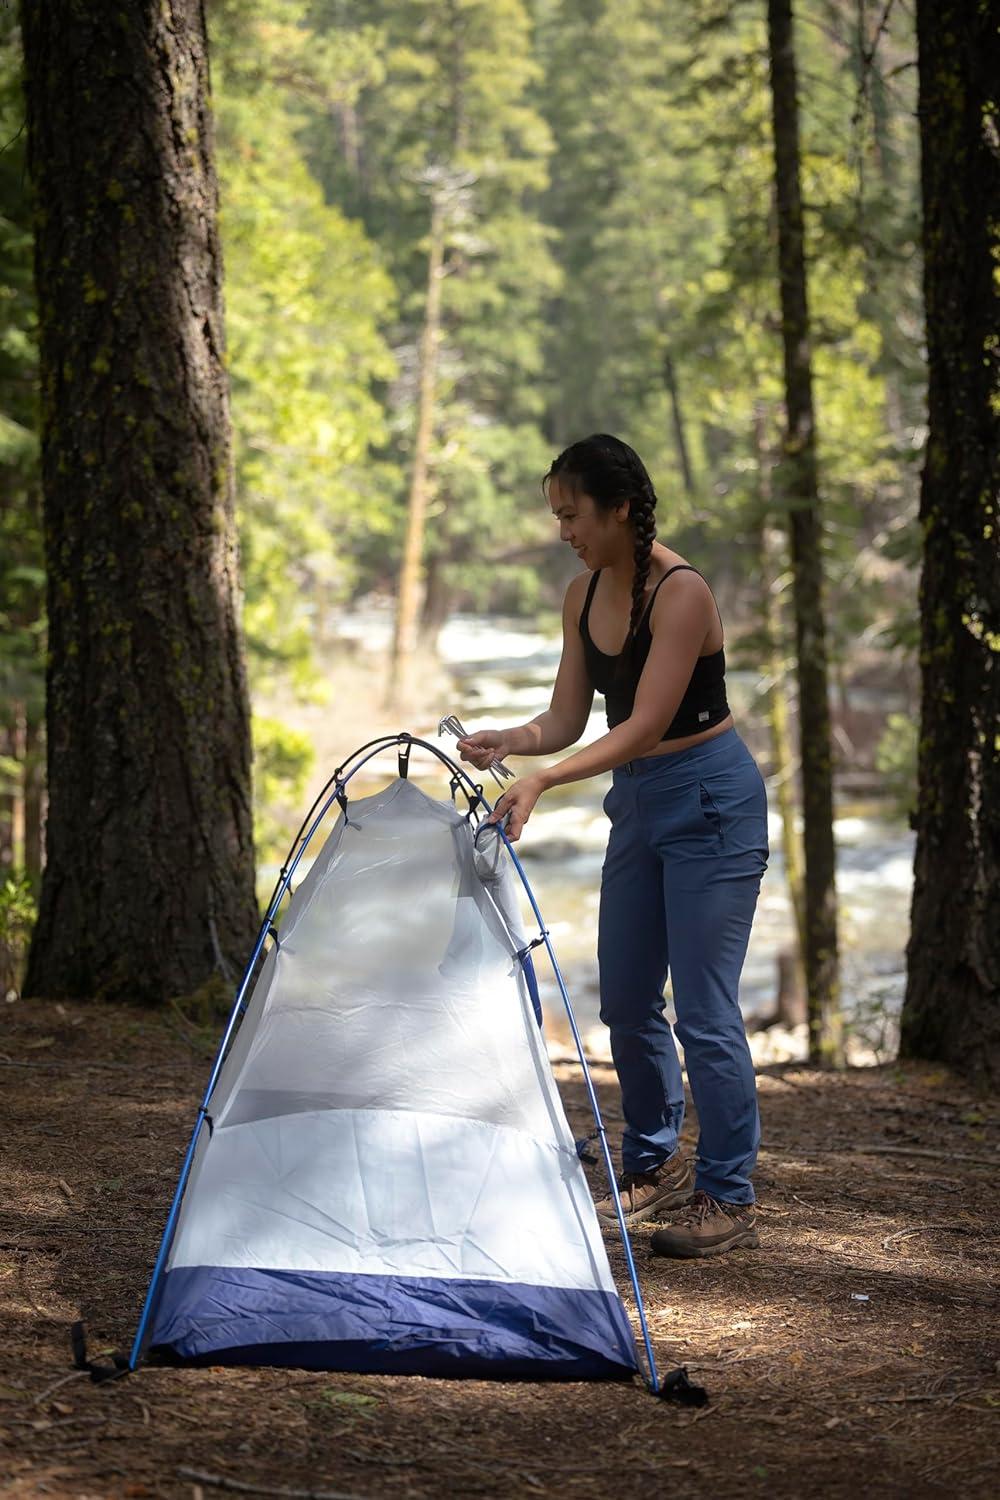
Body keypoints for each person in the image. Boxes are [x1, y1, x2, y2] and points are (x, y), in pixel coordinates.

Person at [457, 433, 769, 1259]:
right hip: (638, 805)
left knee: (705, 1013)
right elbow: (568, 717)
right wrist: (512, 744)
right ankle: (652, 1165)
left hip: (709, 801)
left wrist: (546, 783)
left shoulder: (682, 593)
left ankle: (728, 1195)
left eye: (573, 514)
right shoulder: (583, 593)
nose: (564, 529)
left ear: (621, 508)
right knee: (628, 1000)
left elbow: (643, 726)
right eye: (556, 515)